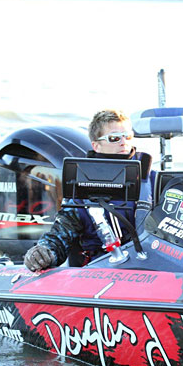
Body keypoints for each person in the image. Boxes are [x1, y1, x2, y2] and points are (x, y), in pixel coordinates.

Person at [24, 109, 154, 271]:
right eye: (114, 138)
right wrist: (42, 252)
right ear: (96, 145)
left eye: (127, 136)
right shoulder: (81, 189)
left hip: (152, 264)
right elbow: (60, 235)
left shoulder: (152, 179)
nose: (123, 142)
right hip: (101, 269)